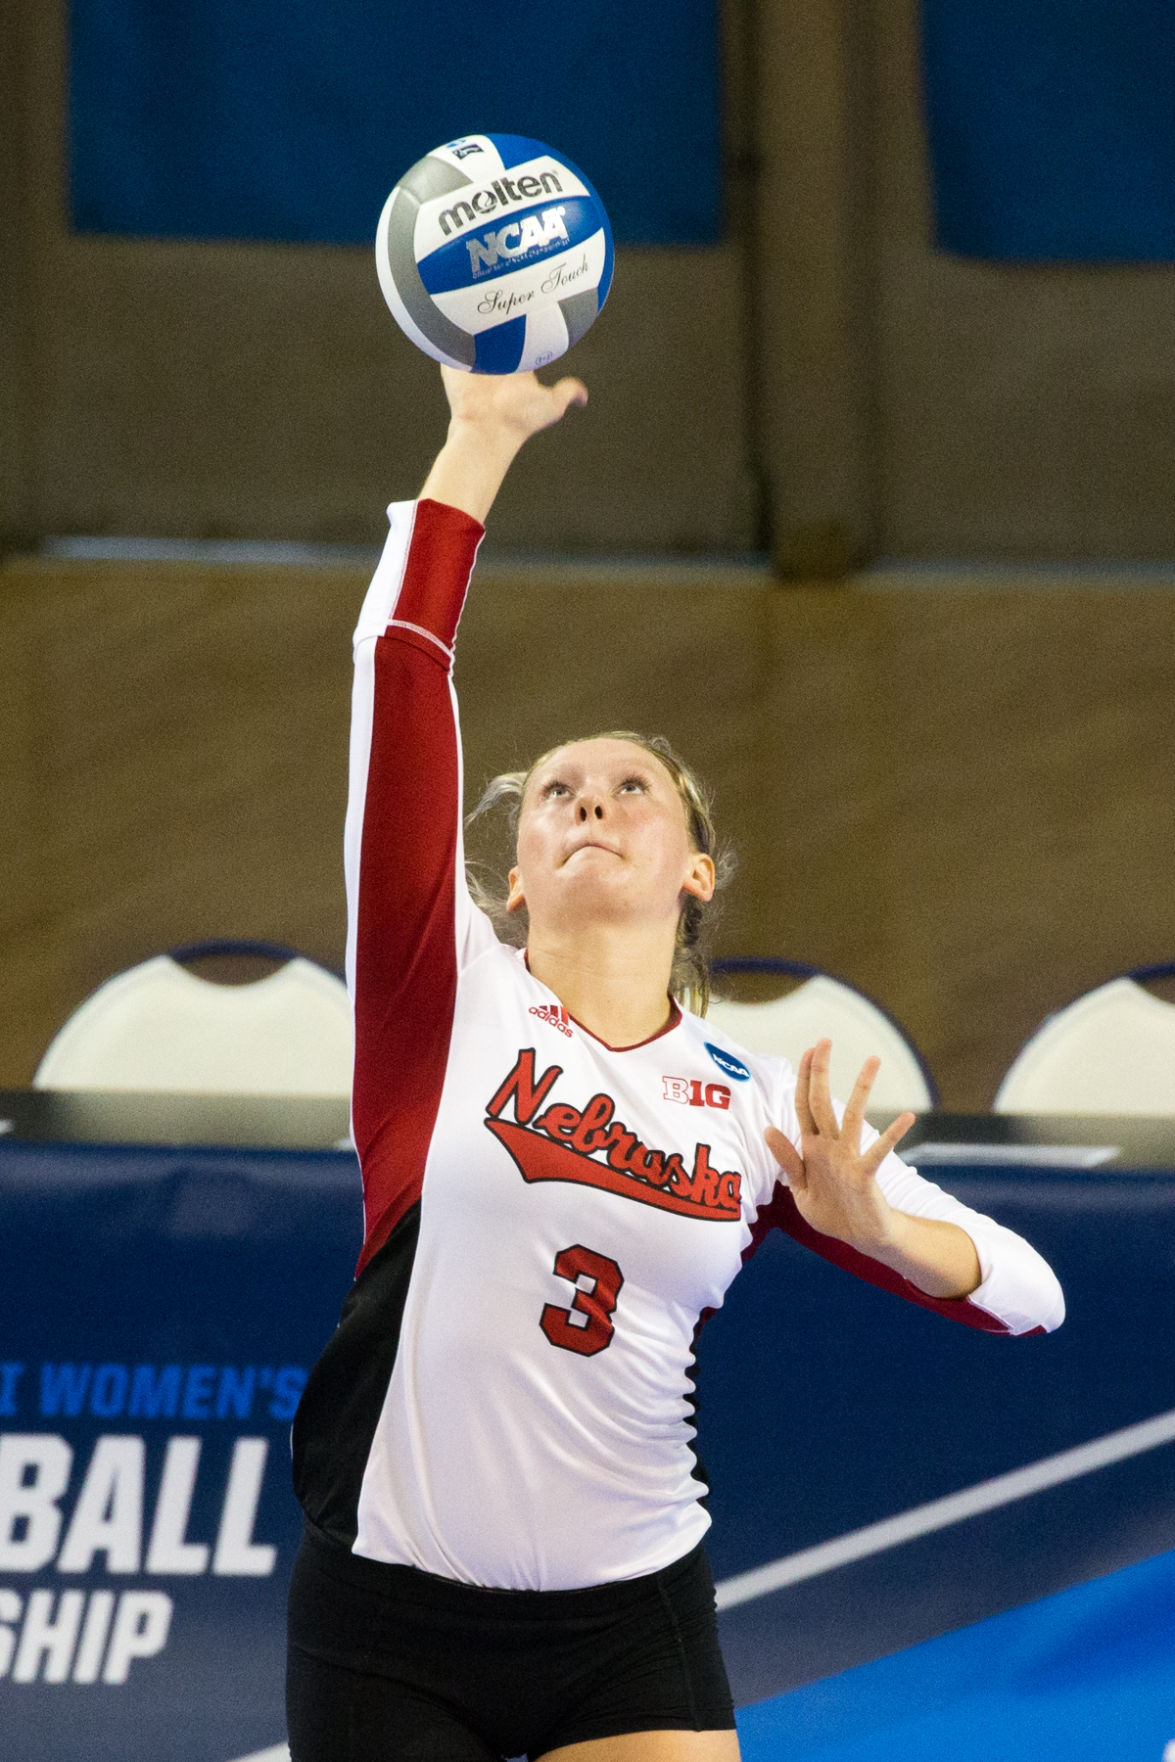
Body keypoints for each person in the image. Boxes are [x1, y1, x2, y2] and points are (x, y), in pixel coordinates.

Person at [286, 367, 1064, 1762]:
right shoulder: (440, 996)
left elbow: (1034, 1297)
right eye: (554, 794)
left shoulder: (761, 1109)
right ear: (510, 878)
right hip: (387, 1619)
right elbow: (399, 667)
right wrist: (478, 440)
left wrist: (873, 1223)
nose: (587, 798)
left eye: (629, 787)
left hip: (630, 1621)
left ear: (694, 870)